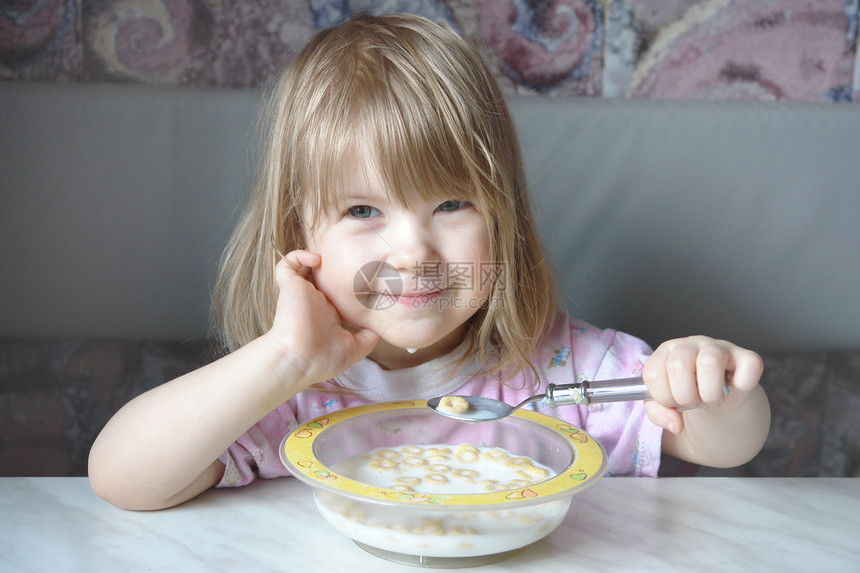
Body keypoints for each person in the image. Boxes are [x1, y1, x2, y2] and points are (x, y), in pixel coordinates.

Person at [88, 14, 769, 511]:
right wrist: (283, 359)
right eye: (362, 212)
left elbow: (727, 445)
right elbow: (120, 477)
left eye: (451, 203)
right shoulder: (286, 393)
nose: (413, 251)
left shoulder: (561, 370)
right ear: (299, 234)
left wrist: (714, 388)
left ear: (502, 215)